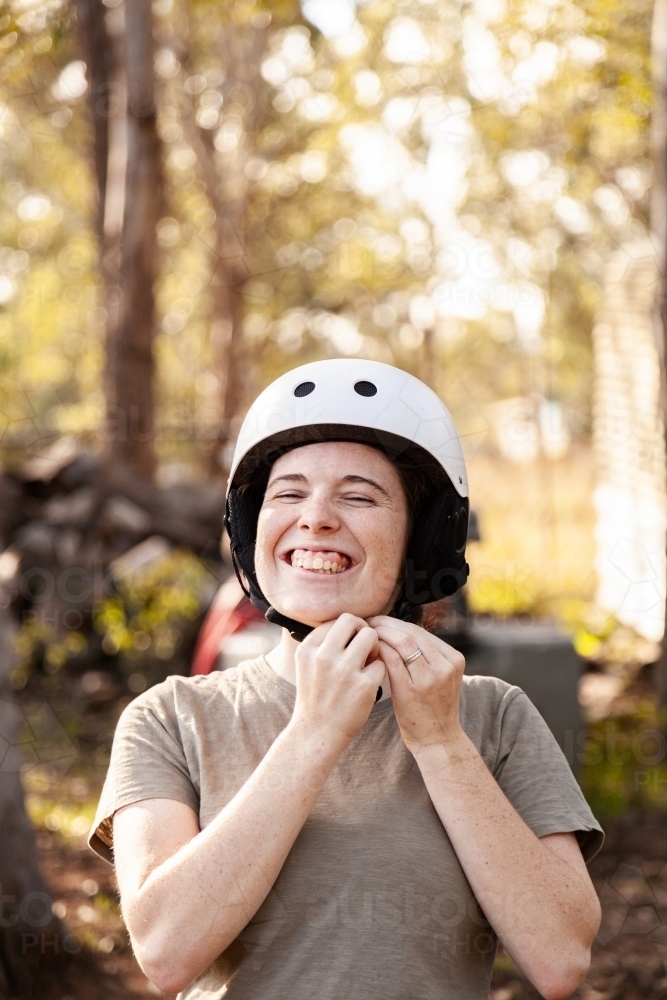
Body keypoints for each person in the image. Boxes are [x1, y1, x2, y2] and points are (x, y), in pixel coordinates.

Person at [89, 359, 603, 1000]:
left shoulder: (496, 717)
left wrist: (442, 744)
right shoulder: (169, 717)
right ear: (252, 529)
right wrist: (314, 732)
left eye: (359, 495)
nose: (317, 517)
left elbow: (561, 960)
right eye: (288, 493)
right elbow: (165, 953)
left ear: (422, 540)